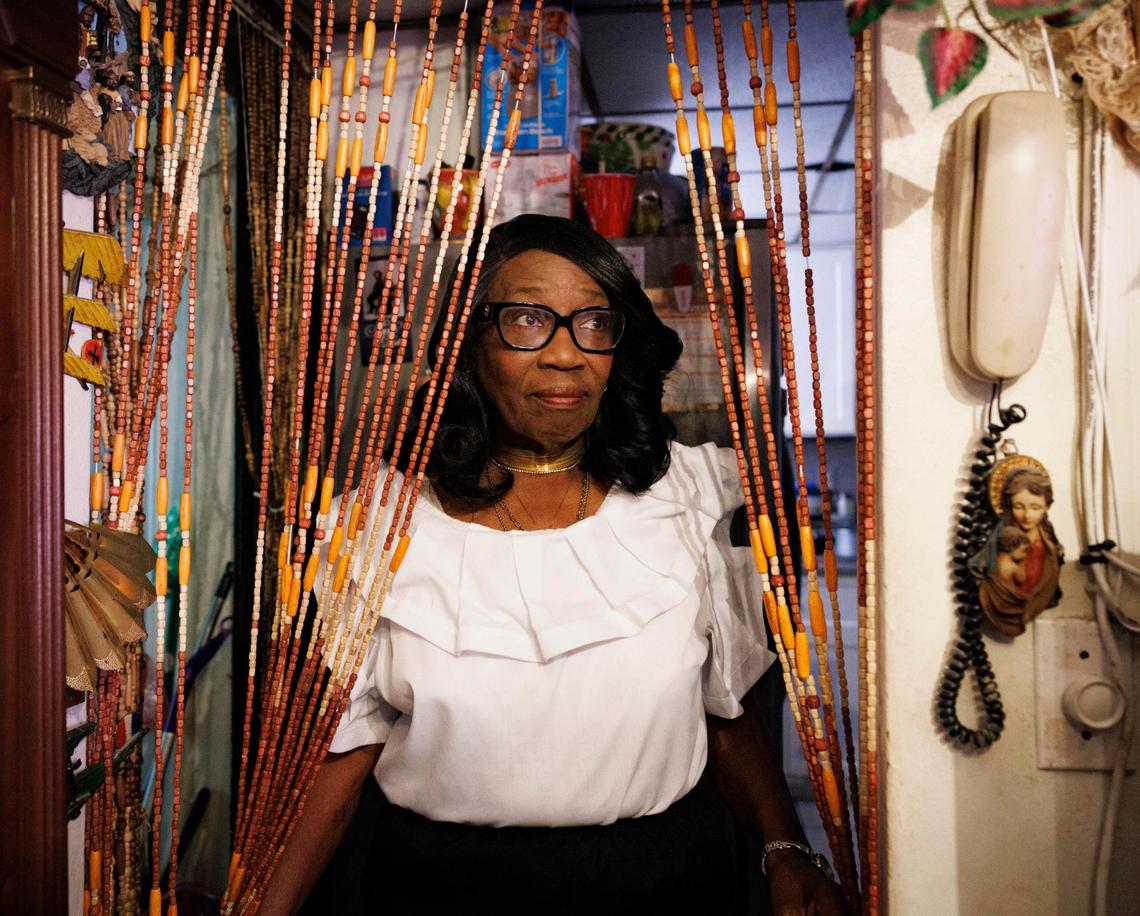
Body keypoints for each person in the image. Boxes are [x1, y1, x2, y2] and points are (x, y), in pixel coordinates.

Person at [261, 215, 847, 914]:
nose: (567, 355)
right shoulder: (378, 527)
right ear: (466, 342)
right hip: (439, 894)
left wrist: (785, 850)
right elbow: (340, 755)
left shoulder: (682, 500)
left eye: (594, 323)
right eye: (528, 320)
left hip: (665, 888)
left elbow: (724, 708)